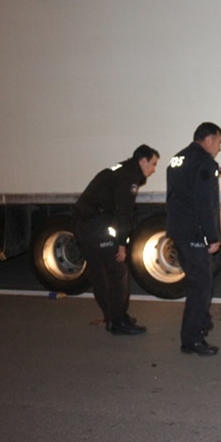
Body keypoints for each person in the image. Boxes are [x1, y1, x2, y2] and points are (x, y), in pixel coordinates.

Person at [73, 144, 160, 335]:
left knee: (100, 274)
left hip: (87, 225)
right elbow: (124, 212)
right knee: (117, 272)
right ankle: (118, 320)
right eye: (153, 164)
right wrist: (122, 243)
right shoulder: (129, 176)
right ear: (142, 160)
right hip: (95, 225)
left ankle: (113, 317)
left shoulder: (122, 170)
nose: (154, 169)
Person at [166, 122, 221, 356]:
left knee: (196, 282)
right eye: (219, 142)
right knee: (201, 285)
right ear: (208, 140)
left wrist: (214, 172)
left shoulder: (177, 159)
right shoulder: (204, 163)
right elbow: (203, 203)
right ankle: (192, 339)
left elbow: (184, 190)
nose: (219, 148)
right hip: (194, 233)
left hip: (178, 230)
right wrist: (212, 237)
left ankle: (200, 324)